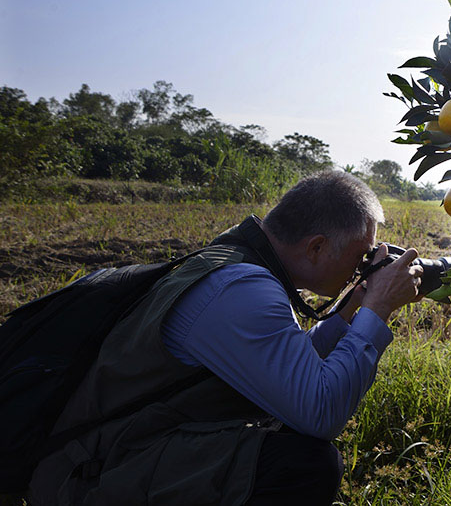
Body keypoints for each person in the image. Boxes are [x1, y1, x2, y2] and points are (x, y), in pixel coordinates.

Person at [29, 171, 424, 506]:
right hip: (93, 471)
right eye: (360, 258)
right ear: (316, 247)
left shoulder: (240, 264)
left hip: (120, 446)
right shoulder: (241, 290)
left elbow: (285, 368)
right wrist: (379, 309)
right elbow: (320, 413)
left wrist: (351, 309)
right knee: (305, 463)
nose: (362, 269)